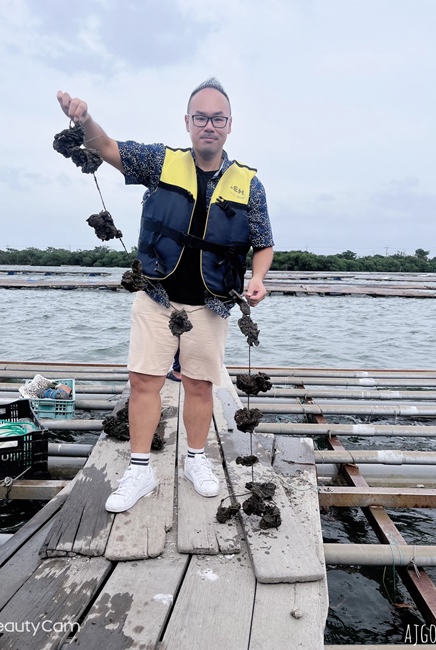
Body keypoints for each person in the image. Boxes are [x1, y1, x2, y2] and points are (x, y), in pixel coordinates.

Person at [57, 78, 274, 513]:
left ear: (229, 125)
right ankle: (139, 470)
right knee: (143, 381)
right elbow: (109, 148)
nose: (208, 125)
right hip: (156, 296)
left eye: (217, 118)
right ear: (187, 122)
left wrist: (257, 278)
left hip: (212, 303)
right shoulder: (159, 161)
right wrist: (84, 121)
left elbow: (263, 242)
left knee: (199, 386)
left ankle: (196, 460)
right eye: (200, 117)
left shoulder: (249, 183)